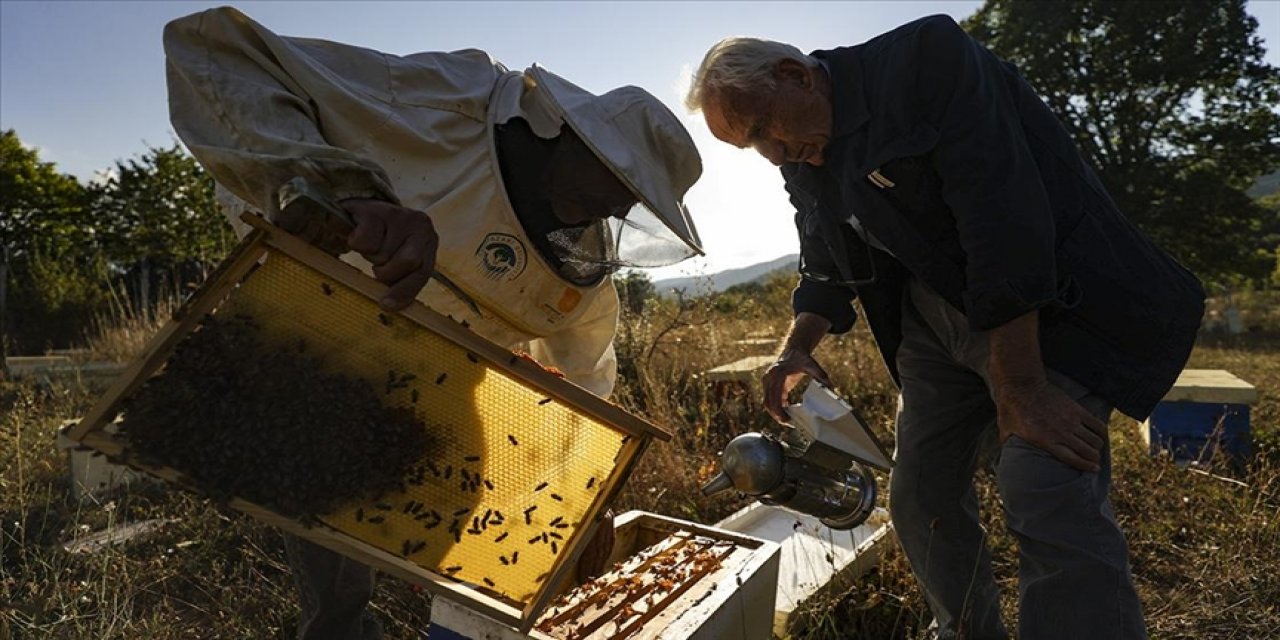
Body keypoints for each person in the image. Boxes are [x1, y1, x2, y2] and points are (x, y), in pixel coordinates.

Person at [164, 7, 703, 639]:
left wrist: (590, 495)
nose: (616, 204)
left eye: (632, 198)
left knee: (480, 529)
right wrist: (344, 192)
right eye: (616, 179)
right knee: (317, 513)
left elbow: (586, 379)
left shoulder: (580, 267)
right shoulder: (449, 99)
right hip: (320, 328)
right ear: (567, 134)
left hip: (448, 375)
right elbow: (212, 49)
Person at [685, 15, 1203, 640]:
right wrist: (796, 347)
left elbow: (1004, 222)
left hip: (1049, 306)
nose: (770, 153)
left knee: (1042, 482)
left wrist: (1024, 386)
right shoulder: (804, 148)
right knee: (921, 496)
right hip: (931, 319)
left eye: (765, 129)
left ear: (797, 76)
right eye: (752, 146)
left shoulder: (926, 61)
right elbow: (823, 255)